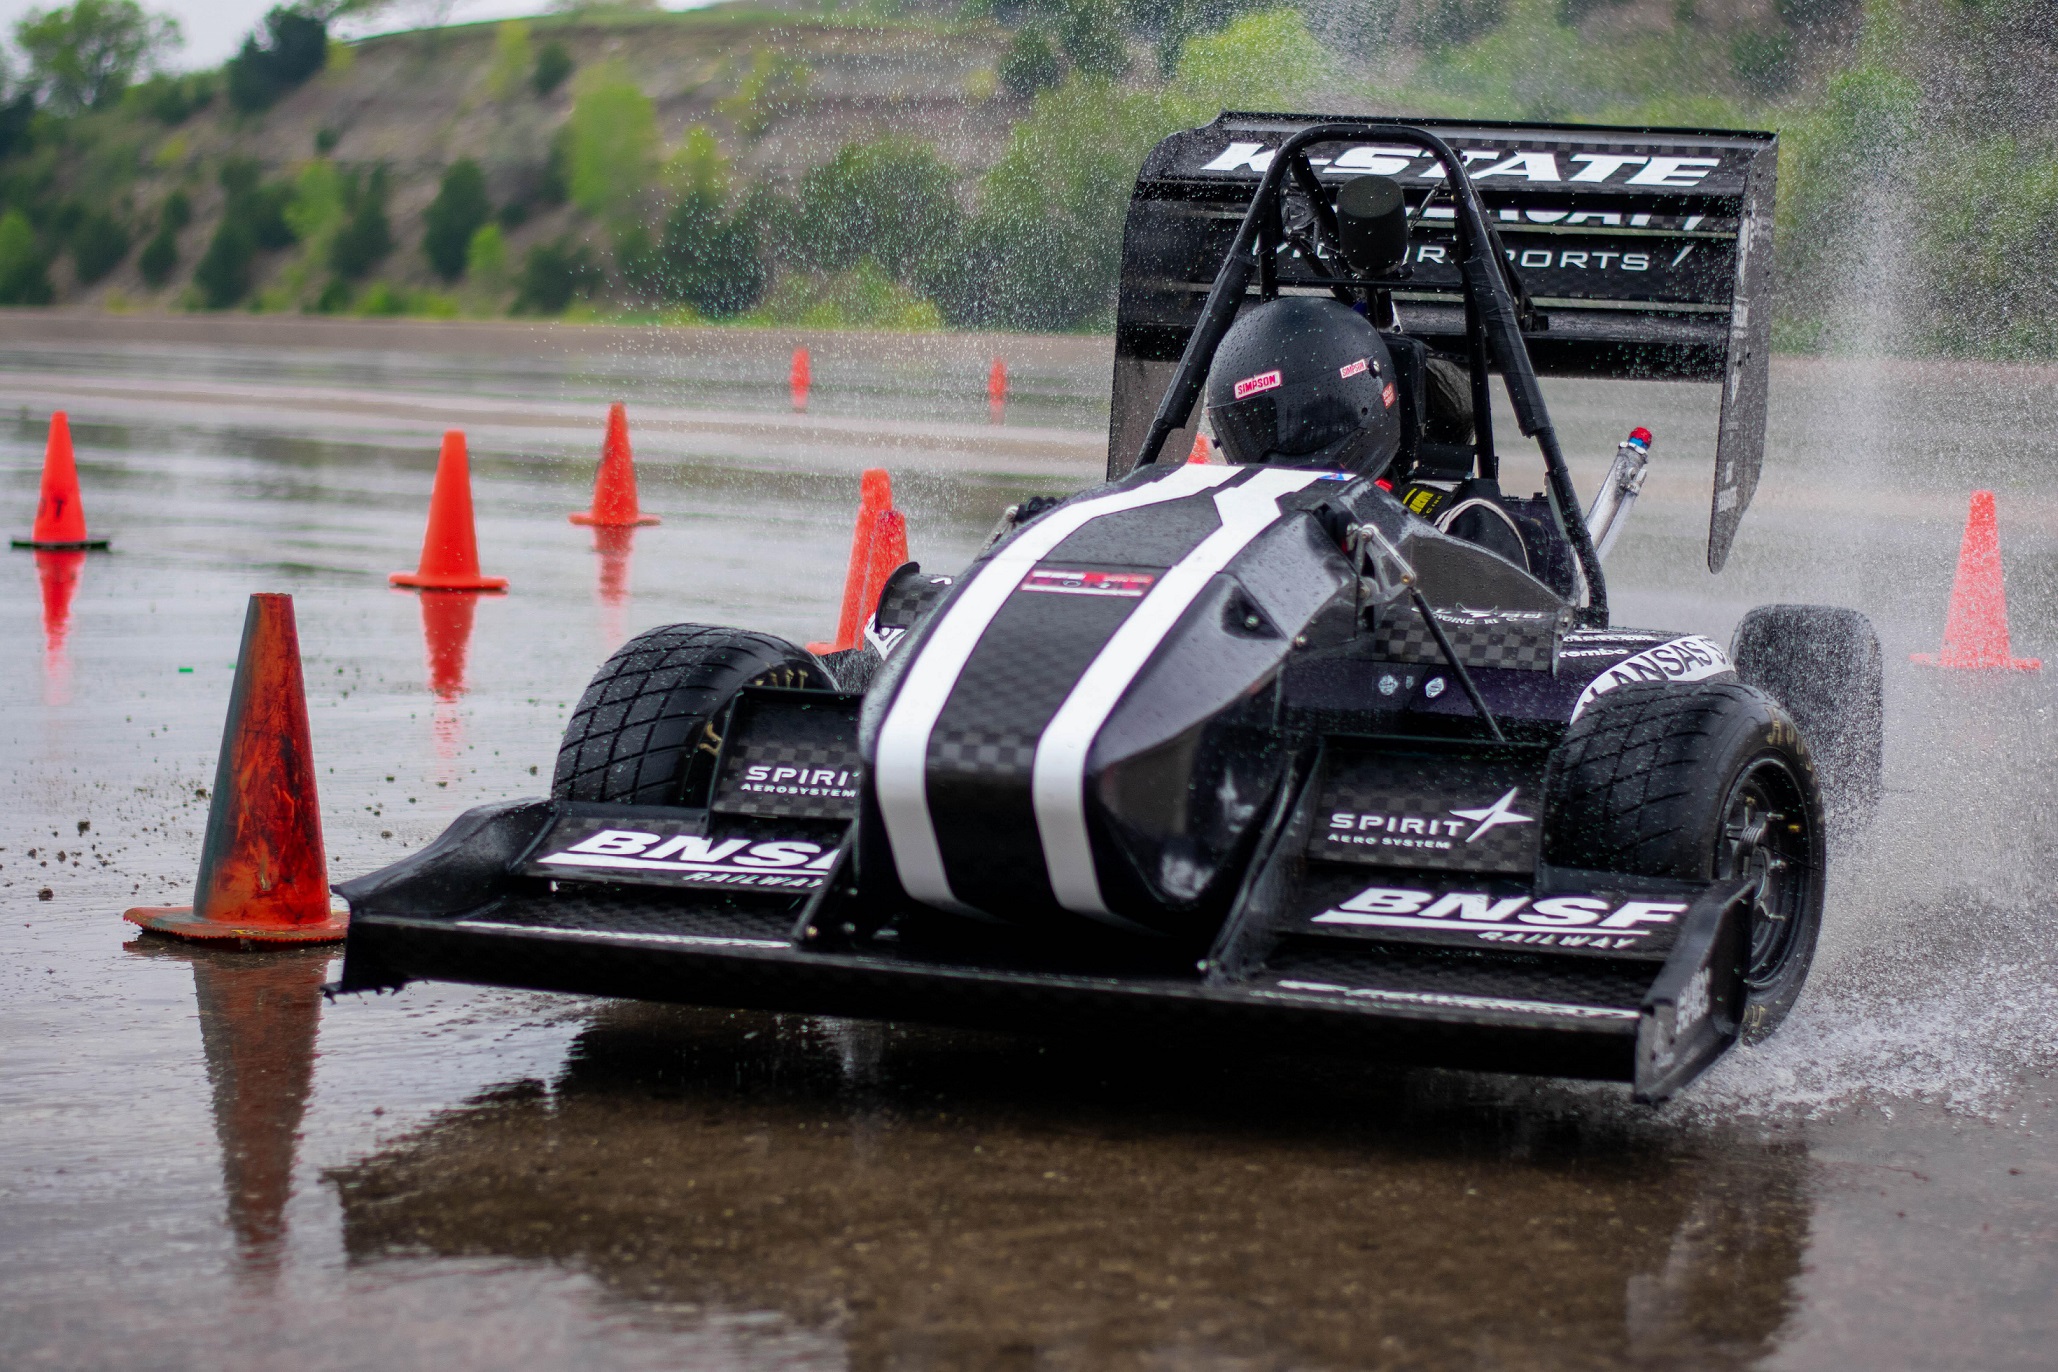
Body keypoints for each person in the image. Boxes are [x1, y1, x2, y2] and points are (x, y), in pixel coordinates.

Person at [1203, 296, 1531, 570]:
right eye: (1256, 424)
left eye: (1312, 419)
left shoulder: (1461, 527)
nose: (1285, 439)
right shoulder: (1216, 523)